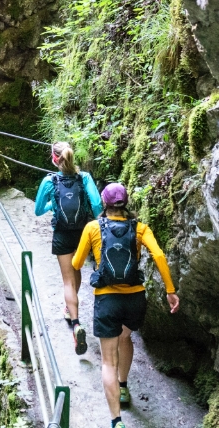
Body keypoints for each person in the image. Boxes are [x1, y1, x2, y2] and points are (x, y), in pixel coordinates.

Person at [72, 183, 180, 428]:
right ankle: (123, 386)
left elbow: (77, 263)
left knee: (108, 361)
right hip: (134, 299)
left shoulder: (92, 227)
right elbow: (160, 256)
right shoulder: (140, 228)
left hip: (107, 300)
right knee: (125, 338)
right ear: (126, 202)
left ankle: (116, 420)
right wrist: (170, 291)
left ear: (105, 204)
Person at [34, 142, 102, 355]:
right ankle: (69, 309)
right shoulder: (85, 178)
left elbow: (37, 210)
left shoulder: (49, 181)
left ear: (55, 159)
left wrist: (53, 205)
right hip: (83, 232)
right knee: (77, 271)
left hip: (62, 233)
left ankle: (76, 323)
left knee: (67, 281)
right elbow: (98, 205)